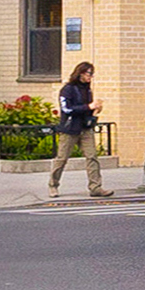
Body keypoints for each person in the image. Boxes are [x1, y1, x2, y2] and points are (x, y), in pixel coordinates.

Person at [46, 58, 108, 199]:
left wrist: (95, 110)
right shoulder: (68, 90)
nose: (90, 77)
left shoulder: (87, 90)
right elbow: (66, 109)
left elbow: (87, 109)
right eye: (88, 73)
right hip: (70, 129)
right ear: (80, 73)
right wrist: (87, 107)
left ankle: (95, 187)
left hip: (85, 128)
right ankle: (53, 185)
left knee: (92, 157)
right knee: (62, 158)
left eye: (92, 74)